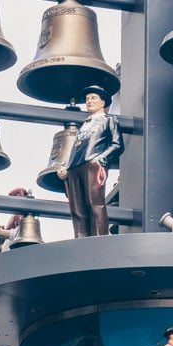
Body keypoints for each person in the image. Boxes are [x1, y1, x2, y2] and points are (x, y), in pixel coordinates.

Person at [57, 85, 123, 238]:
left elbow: (117, 144)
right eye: (87, 99)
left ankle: (98, 237)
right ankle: (81, 238)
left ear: (103, 102)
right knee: (77, 208)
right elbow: (76, 148)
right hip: (75, 167)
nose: (89, 101)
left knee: (95, 204)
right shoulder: (83, 126)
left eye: (93, 98)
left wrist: (101, 158)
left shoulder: (108, 120)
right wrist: (67, 167)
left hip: (93, 164)